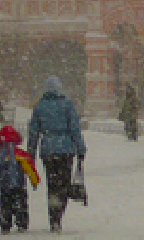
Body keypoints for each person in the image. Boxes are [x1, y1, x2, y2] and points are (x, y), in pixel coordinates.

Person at [27, 75, 86, 234]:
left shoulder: (40, 106)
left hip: (48, 150)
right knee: (64, 184)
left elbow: (33, 132)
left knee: (52, 184)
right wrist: (80, 149)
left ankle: (53, 217)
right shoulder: (67, 105)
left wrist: (30, 153)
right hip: (65, 150)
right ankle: (59, 214)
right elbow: (75, 129)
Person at [0, 123, 40, 234]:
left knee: (5, 205)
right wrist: (34, 180)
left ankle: (5, 224)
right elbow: (29, 168)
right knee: (21, 205)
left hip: (4, 185)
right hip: (19, 185)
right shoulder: (21, 154)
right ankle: (22, 223)